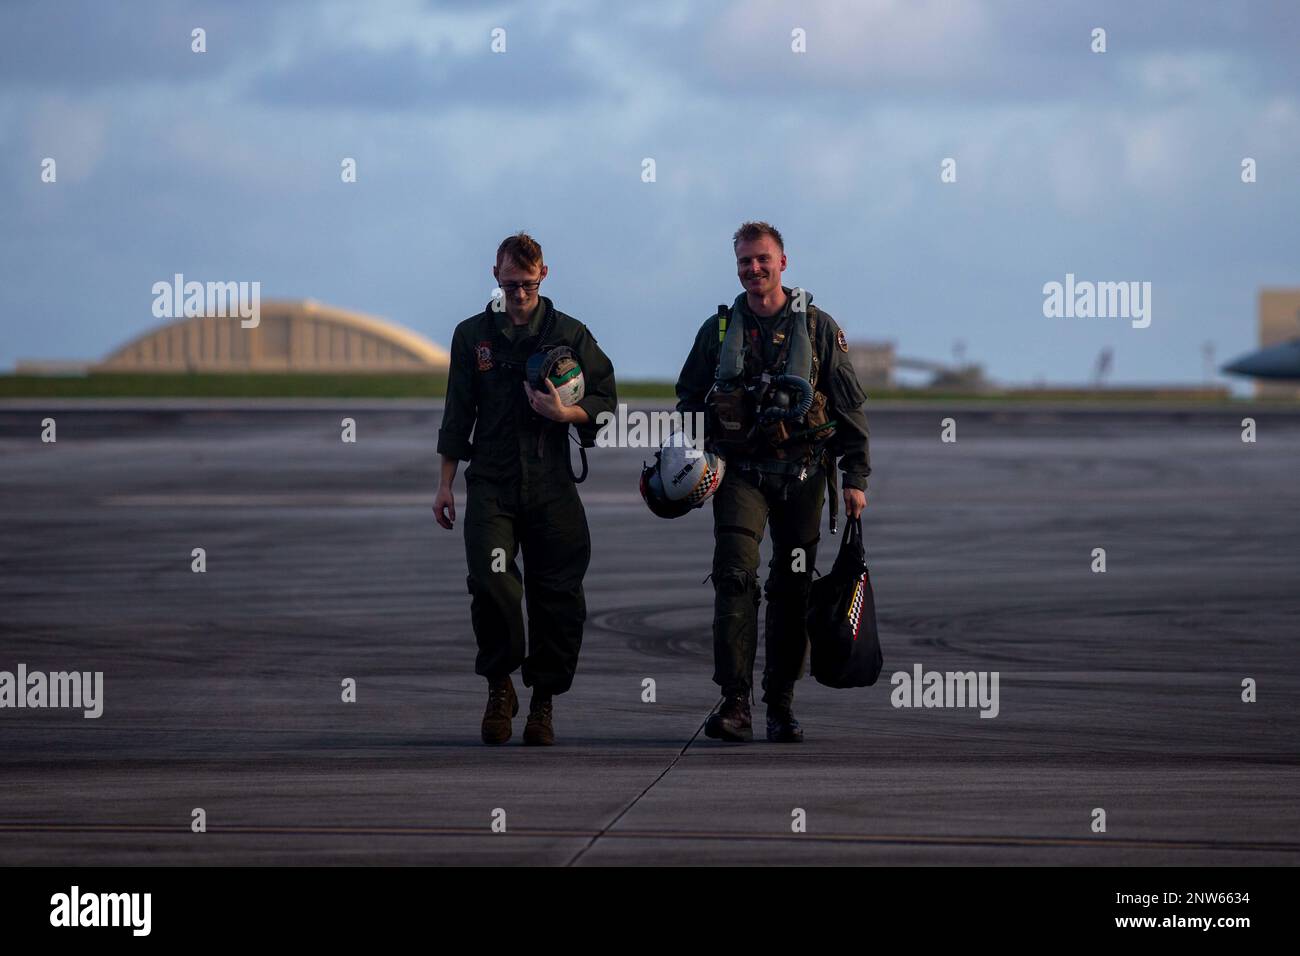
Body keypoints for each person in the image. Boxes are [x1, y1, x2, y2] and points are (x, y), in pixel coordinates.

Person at [675, 221, 871, 742]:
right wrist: (692, 457)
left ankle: (780, 705)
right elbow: (689, 397)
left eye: (763, 258)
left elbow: (849, 406)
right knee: (734, 577)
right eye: (745, 260)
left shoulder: (820, 328)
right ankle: (735, 703)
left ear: (783, 262)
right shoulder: (718, 331)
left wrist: (855, 476)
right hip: (740, 475)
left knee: (792, 587)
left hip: (804, 475)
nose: (754, 268)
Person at [434, 233, 617, 745]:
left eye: (528, 285)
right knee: (491, 582)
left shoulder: (570, 333)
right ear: (495, 275)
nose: (518, 294)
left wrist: (566, 414)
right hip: (492, 483)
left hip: (551, 484)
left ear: (544, 276)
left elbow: (606, 401)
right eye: (511, 284)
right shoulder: (472, 337)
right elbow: (457, 414)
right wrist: (445, 484)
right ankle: (499, 683)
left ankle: (543, 700)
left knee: (558, 595)